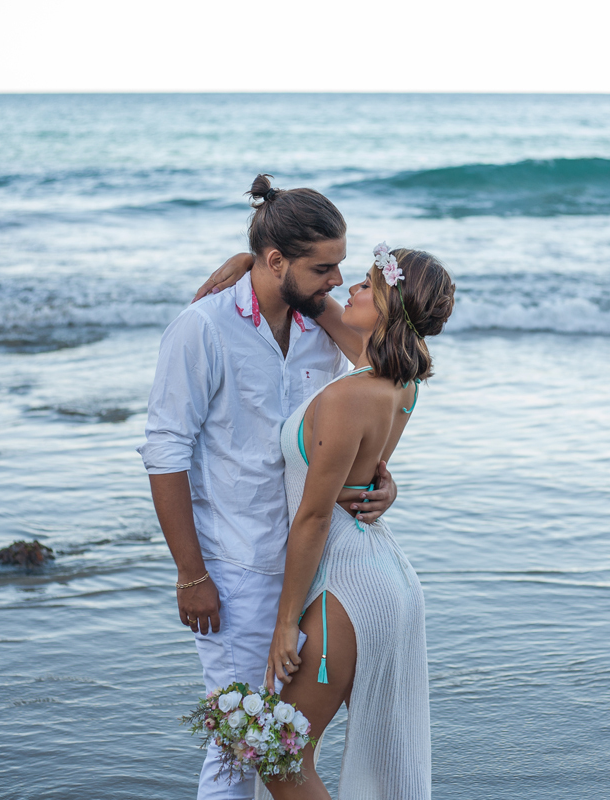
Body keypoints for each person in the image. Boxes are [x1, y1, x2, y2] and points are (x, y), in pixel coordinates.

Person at [138, 175, 399, 800]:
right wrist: (191, 574)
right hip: (238, 566)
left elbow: (388, 376)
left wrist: (378, 475)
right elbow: (165, 452)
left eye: (340, 265)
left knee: (283, 742)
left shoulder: (321, 323)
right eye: (323, 268)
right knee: (240, 747)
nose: (337, 279)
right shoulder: (202, 328)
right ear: (277, 260)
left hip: (318, 560)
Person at [265, 245, 456, 799]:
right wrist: (245, 266)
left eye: (368, 285)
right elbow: (321, 305)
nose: (350, 287)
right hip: (382, 574)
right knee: (301, 752)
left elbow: (313, 516)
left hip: (344, 585)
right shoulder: (399, 383)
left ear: (391, 306)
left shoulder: (351, 396)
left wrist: (285, 623)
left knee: (279, 754)